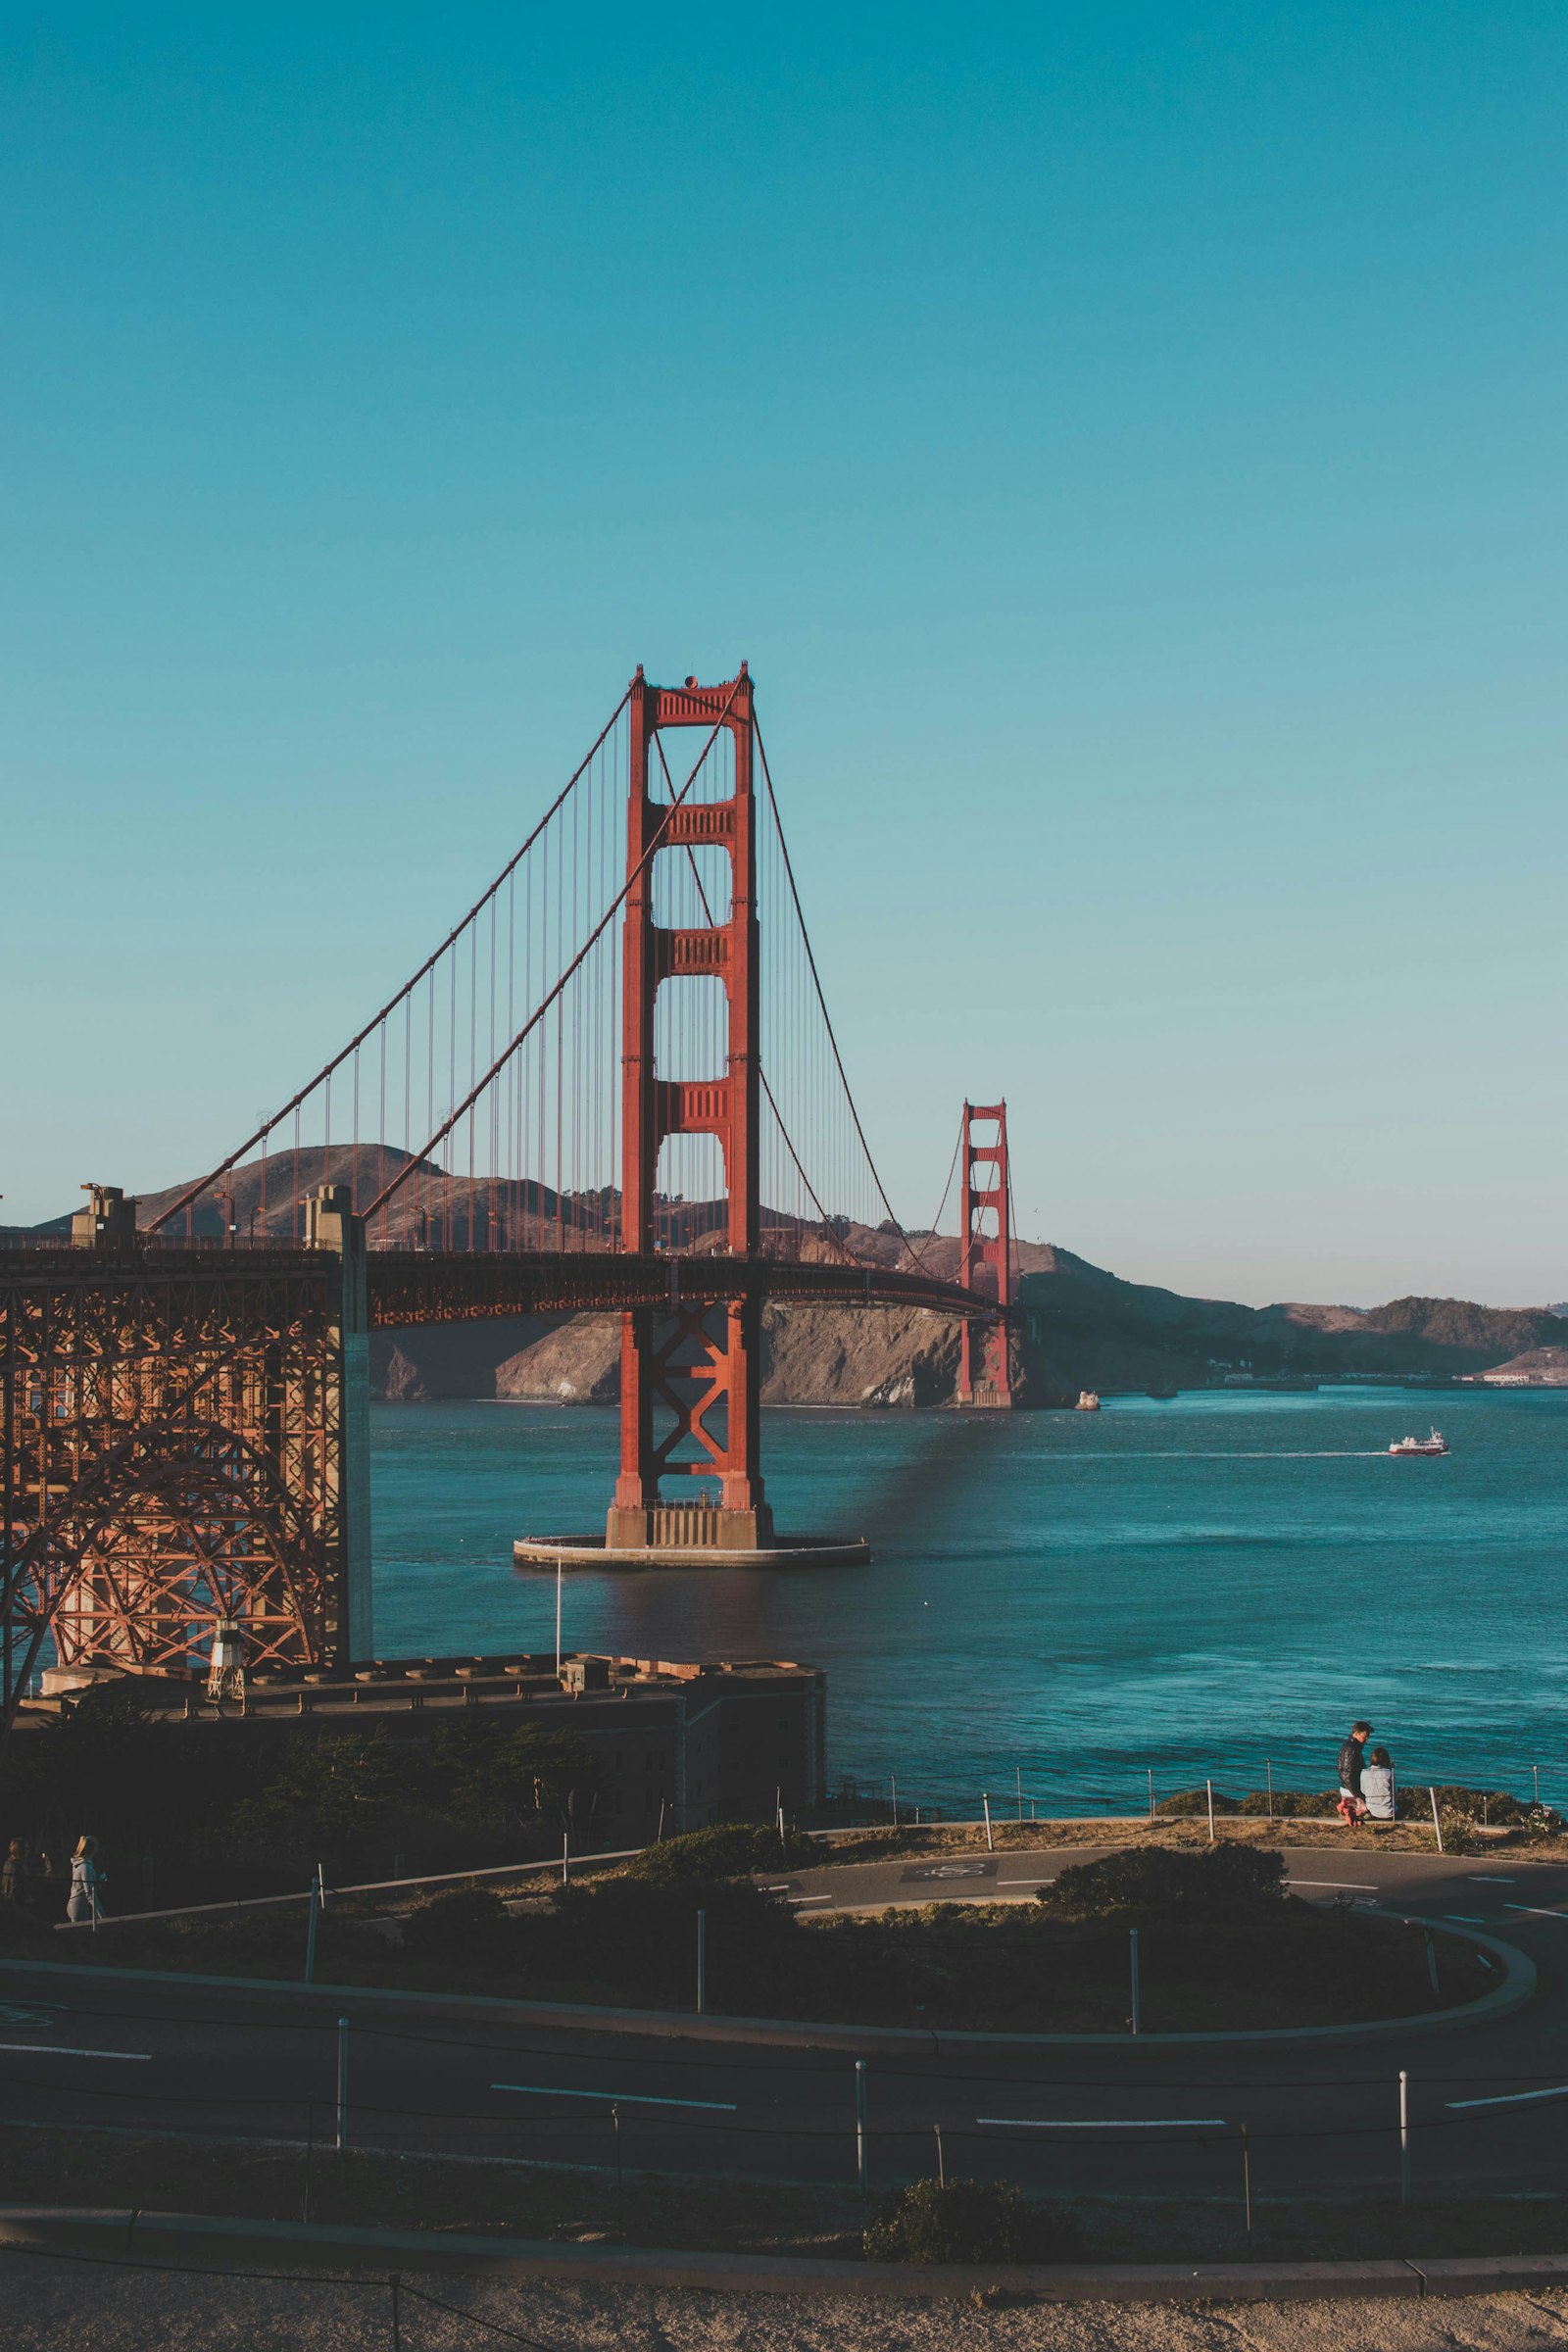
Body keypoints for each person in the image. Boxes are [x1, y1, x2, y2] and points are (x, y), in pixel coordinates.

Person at [1337, 1720, 1373, 1828]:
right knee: (1368, 1814)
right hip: (1351, 1789)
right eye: (1365, 1736)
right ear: (1356, 1733)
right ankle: (1349, 1809)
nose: (1367, 1739)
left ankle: (1347, 1809)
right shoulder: (1352, 1749)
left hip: (1346, 1787)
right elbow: (1347, 1775)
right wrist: (1358, 1795)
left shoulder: (1348, 1745)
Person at [67, 1837, 106, 1925]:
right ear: (92, 1849)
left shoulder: (80, 1864)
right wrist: (102, 1915)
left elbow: (84, 1887)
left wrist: (98, 1882)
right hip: (78, 1907)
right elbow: (89, 1894)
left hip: (75, 1904)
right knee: (81, 1934)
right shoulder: (85, 1867)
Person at [1360, 1745, 1396, 1827]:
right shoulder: (1389, 1773)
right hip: (1388, 1812)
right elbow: (1395, 1793)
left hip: (1371, 1810)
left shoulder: (1364, 1772)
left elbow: (1363, 1791)